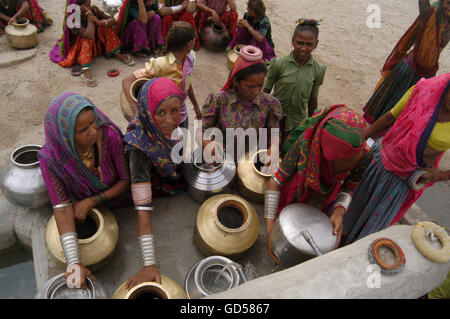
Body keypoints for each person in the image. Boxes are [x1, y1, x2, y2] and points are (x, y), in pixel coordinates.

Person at [342, 72, 450, 244]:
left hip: (403, 184)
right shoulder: (422, 91)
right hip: (379, 166)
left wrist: (441, 175)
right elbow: (389, 117)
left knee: (369, 233)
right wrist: (360, 141)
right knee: (348, 212)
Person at [38, 92, 132, 288]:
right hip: (82, 210)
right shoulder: (51, 159)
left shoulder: (109, 136)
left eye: (93, 122)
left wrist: (92, 200)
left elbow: (125, 180)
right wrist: (73, 262)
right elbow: (62, 206)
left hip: (118, 200)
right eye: (83, 130)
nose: (93, 132)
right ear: (65, 136)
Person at [264, 105, 374, 262]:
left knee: (312, 237)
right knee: (288, 227)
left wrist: (339, 210)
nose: (339, 170)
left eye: (349, 162)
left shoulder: (365, 156)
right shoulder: (307, 144)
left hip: (326, 196)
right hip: (298, 188)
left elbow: (350, 185)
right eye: (334, 163)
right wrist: (270, 229)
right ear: (321, 149)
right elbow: (275, 182)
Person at [122, 78, 186, 288]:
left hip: (177, 180)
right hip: (157, 192)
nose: (170, 120)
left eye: (175, 111)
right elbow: (142, 208)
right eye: (161, 113)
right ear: (148, 111)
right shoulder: (138, 147)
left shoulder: (176, 124)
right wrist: (149, 264)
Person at [363, 0, 450, 125]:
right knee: (390, 109)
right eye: (448, 3)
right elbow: (423, 4)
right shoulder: (430, 13)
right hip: (410, 68)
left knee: (408, 113)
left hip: (429, 72)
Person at [201, 45, 281, 159]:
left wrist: (274, 147)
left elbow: (273, 132)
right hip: (220, 158)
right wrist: (207, 143)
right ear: (236, 81)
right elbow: (203, 129)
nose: (257, 91)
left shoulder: (269, 104)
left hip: (250, 163)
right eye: (250, 86)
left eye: (260, 85)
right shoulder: (219, 100)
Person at [123, 21, 201, 127]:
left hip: (182, 116)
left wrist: (196, 107)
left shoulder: (191, 58)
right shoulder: (160, 64)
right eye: (193, 41)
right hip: (163, 121)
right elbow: (127, 81)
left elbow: (186, 83)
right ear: (188, 45)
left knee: (181, 143)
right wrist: (135, 110)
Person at [264, 19, 326, 145]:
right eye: (299, 43)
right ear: (292, 41)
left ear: (316, 44)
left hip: (297, 121)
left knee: (288, 151)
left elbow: (313, 98)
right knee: (269, 148)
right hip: (275, 118)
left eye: (309, 44)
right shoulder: (278, 64)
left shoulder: (318, 70)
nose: (303, 48)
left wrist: (310, 123)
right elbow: (265, 92)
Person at [49, 0, 135, 87]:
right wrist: (89, 16)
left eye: (89, 3)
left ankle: (116, 53)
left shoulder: (93, 9)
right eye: (87, 4)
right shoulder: (73, 19)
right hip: (79, 49)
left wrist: (99, 22)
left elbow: (112, 20)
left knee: (105, 26)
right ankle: (86, 69)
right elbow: (89, 35)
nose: (90, 4)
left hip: (94, 46)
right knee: (87, 38)